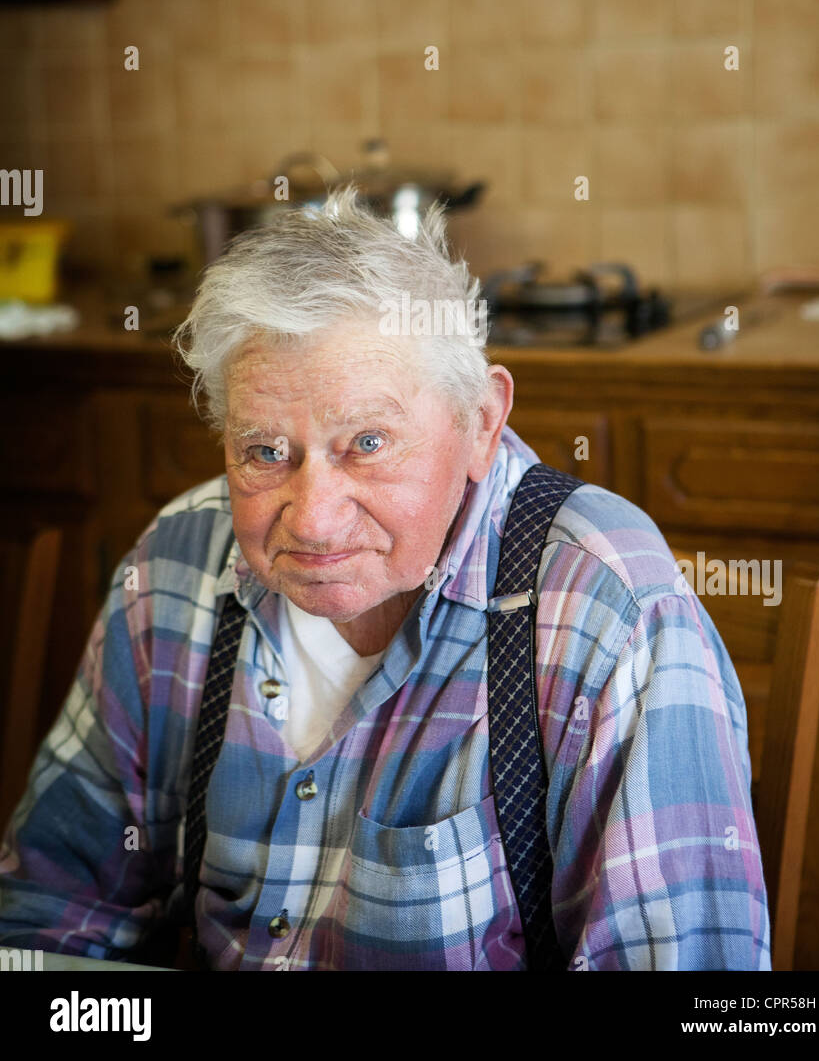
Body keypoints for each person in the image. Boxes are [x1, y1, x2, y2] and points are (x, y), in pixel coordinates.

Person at [0, 189, 771, 970]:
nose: (314, 519)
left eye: (367, 442)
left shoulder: (603, 603)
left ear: (480, 423)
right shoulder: (177, 564)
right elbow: (49, 915)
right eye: (265, 452)